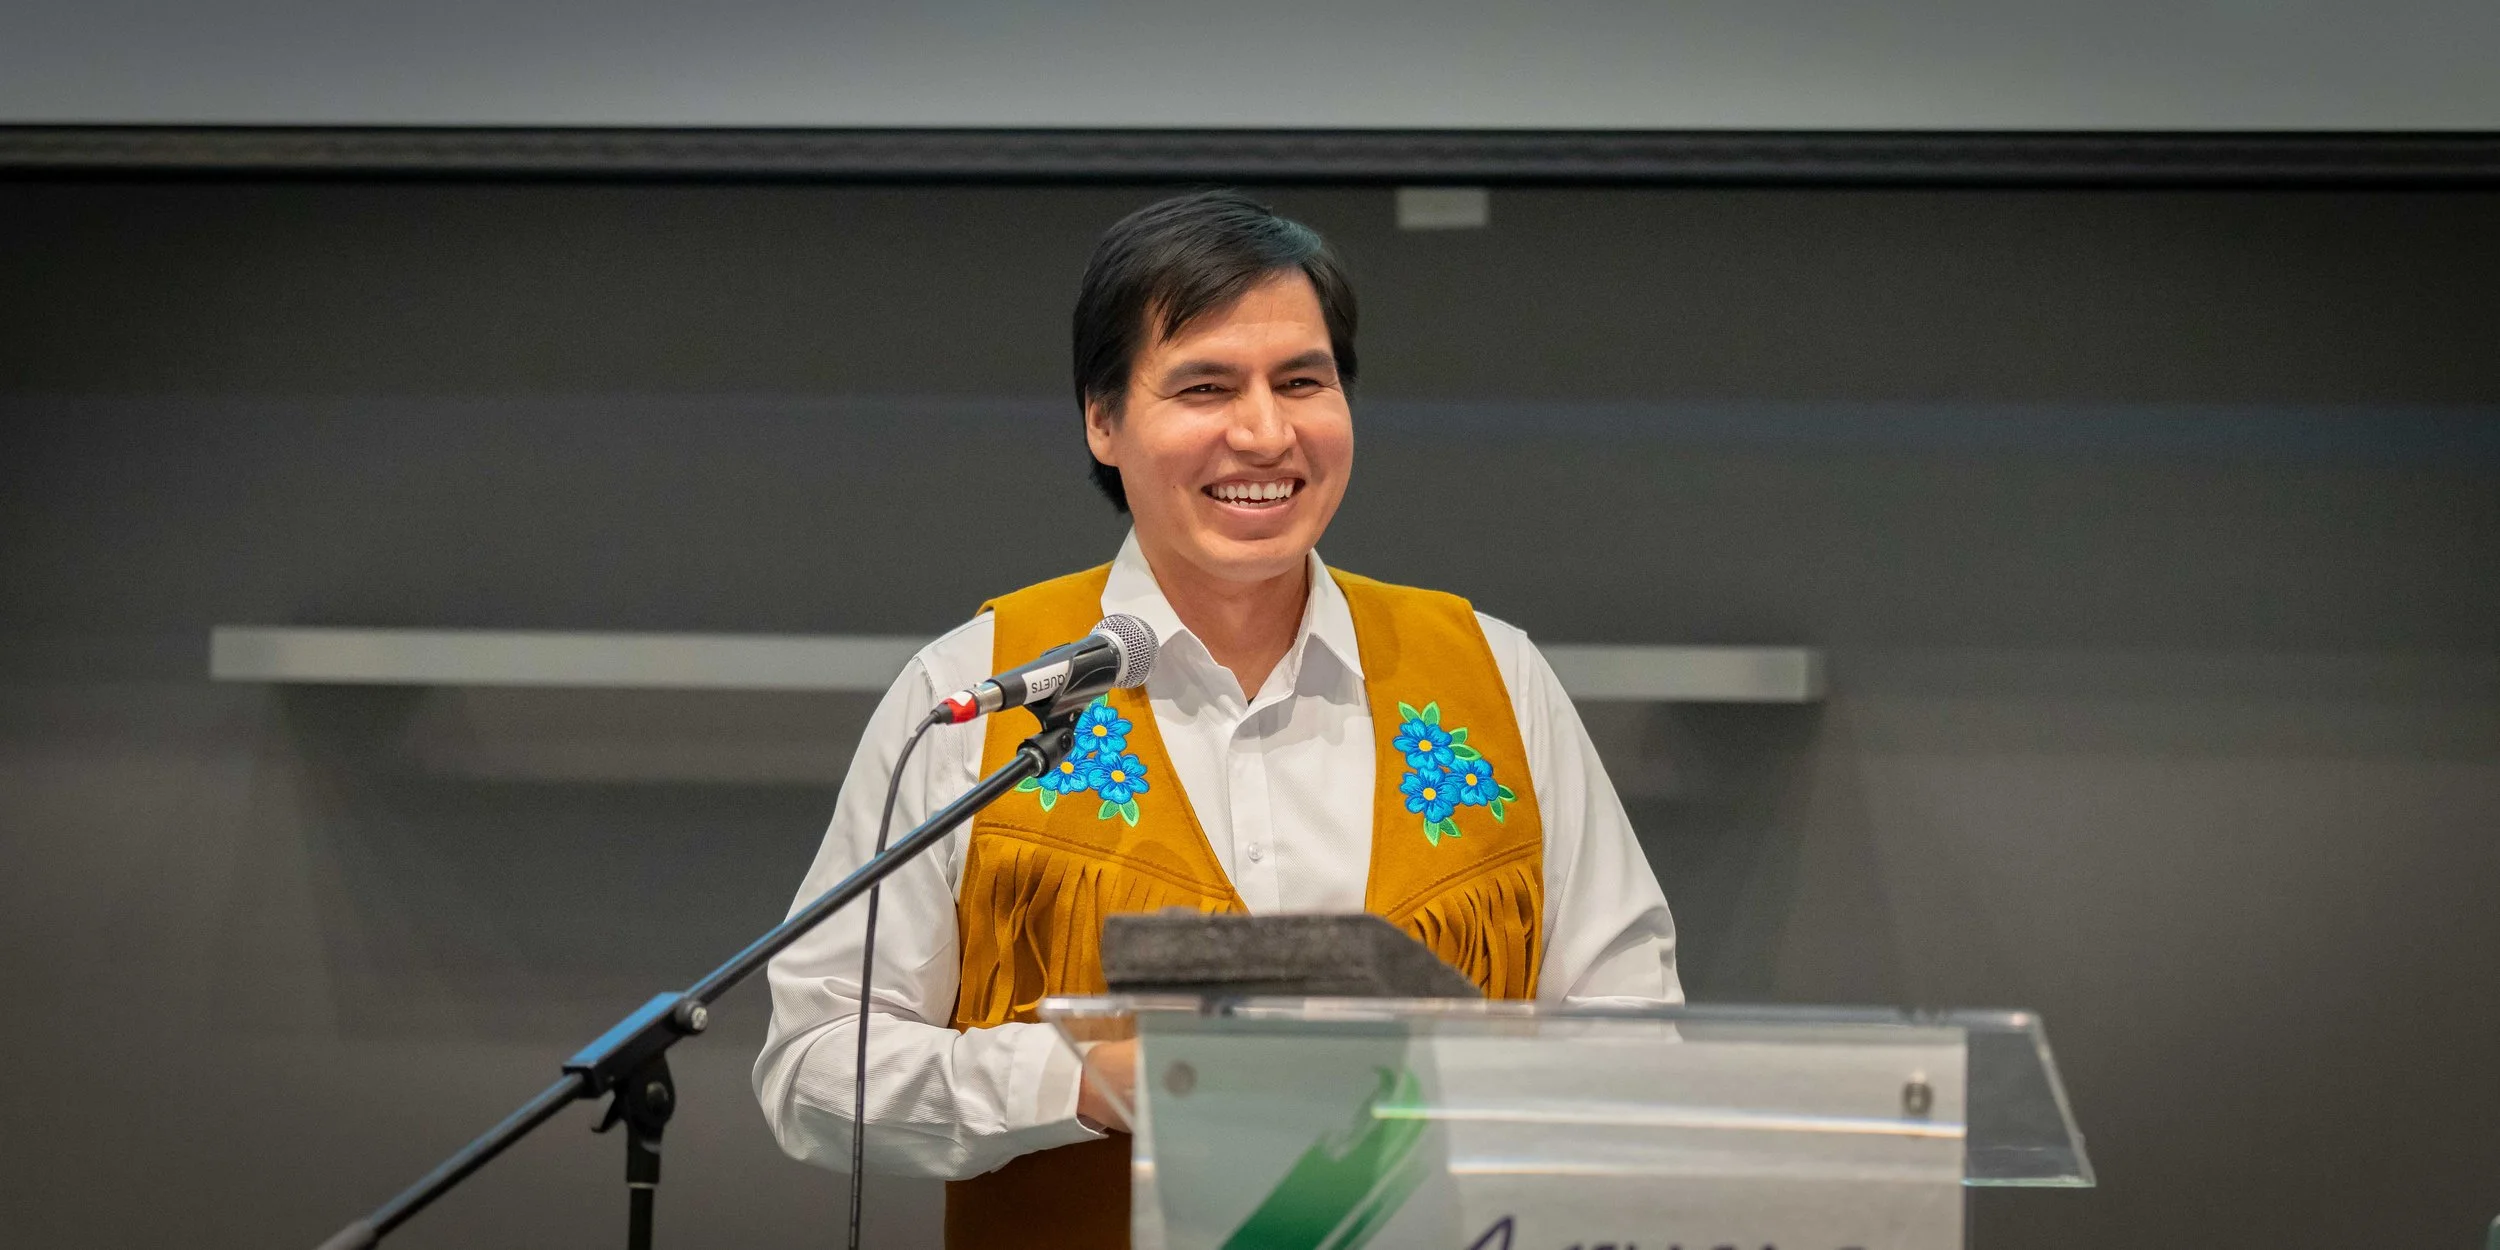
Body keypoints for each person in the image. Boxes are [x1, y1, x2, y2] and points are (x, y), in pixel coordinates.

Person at [754, 189, 1679, 1249]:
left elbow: (1633, 1031)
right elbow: (815, 1062)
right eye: (1205, 386)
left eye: (1303, 382)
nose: (1264, 432)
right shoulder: (981, 690)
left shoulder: (1492, 675)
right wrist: (1082, 1079)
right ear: (1103, 420)